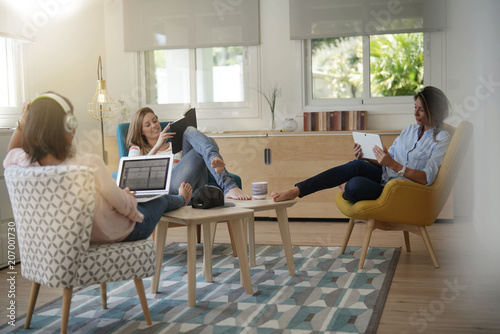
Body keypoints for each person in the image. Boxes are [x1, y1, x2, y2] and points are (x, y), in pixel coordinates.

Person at [3, 92, 192, 243]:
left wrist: (22, 123)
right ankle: (181, 199)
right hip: (114, 234)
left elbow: (11, 152)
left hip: (61, 244)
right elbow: (126, 208)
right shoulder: (88, 164)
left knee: (145, 197)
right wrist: (126, 198)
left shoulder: (24, 164)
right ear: (69, 126)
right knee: (159, 200)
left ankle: (177, 198)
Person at [271, 86, 452, 204]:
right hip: (384, 175)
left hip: (399, 191)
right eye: (415, 107)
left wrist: (393, 164)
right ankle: (296, 190)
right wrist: (369, 156)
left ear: (435, 111)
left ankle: (344, 186)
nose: (416, 113)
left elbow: (427, 177)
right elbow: (388, 160)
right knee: (357, 164)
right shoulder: (410, 130)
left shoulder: (442, 139)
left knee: (354, 186)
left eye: (421, 110)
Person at [126, 107, 251, 200]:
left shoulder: (173, 146)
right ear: (141, 131)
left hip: (195, 185)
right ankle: (228, 185)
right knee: (208, 143)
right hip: (171, 188)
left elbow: (195, 166)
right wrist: (157, 146)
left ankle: (215, 161)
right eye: (148, 125)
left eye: (155, 120)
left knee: (190, 132)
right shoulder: (137, 149)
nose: (154, 125)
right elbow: (136, 173)